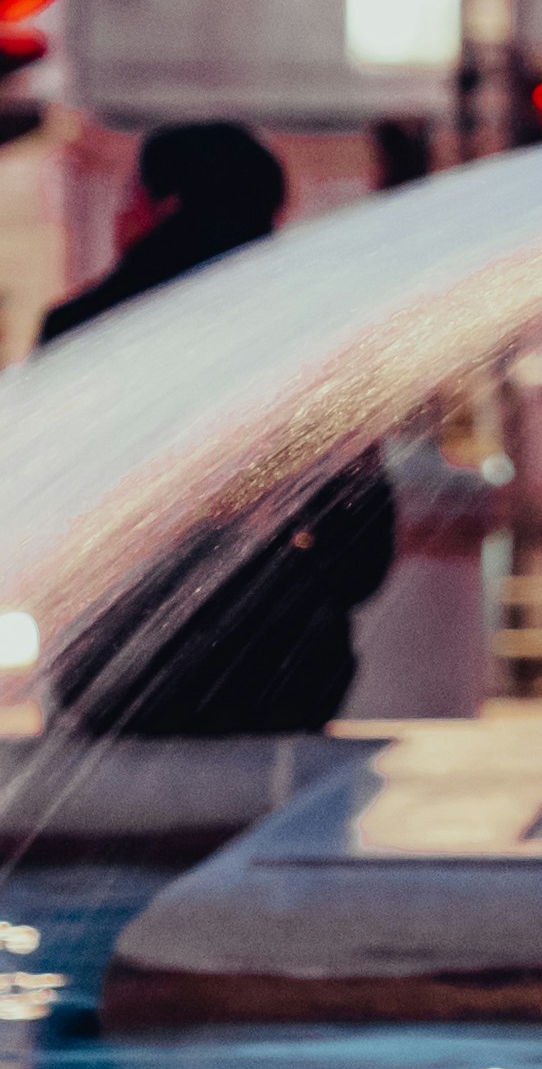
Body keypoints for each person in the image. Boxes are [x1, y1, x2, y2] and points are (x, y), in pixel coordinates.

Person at [33, 121, 393, 736]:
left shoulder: (78, 332)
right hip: (289, 667)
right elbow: (365, 553)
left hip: (112, 673)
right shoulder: (325, 339)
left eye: (130, 199)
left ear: (160, 208)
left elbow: (43, 526)